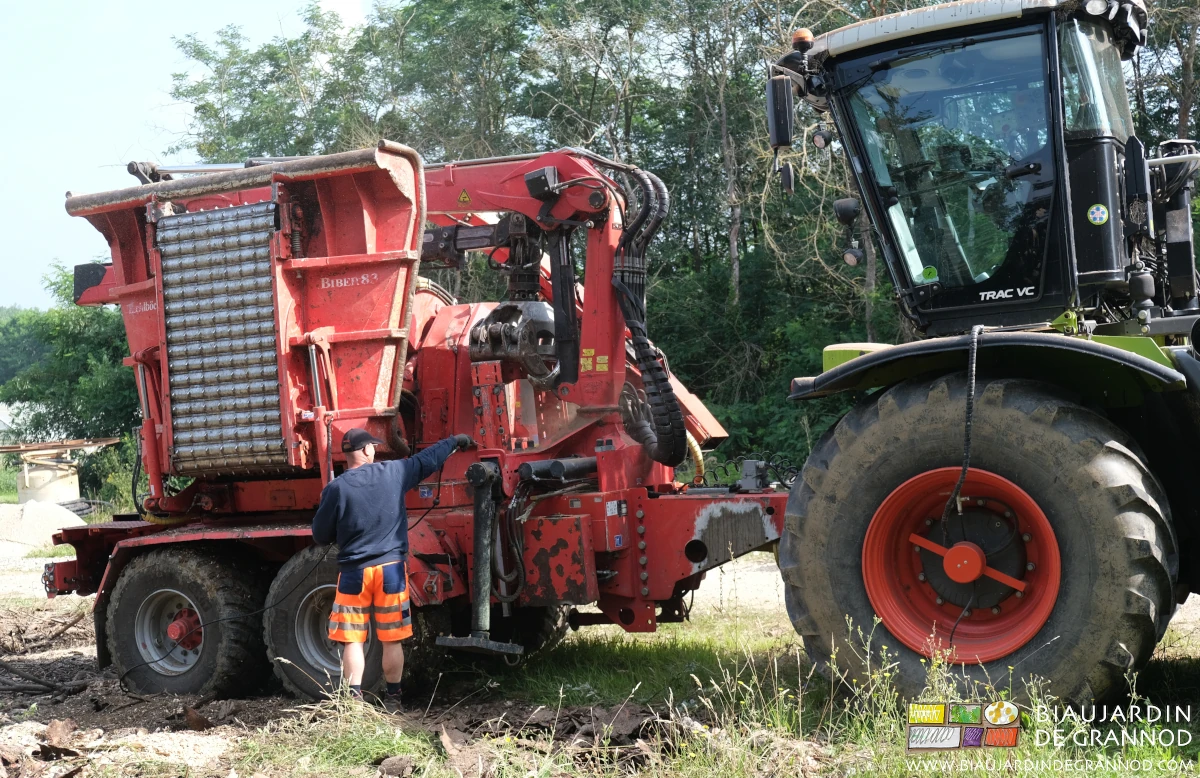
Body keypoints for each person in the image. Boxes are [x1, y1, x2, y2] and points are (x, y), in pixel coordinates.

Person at [311, 427, 471, 710]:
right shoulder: (393, 473)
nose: (374, 449)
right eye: (372, 446)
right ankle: (393, 699)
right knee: (391, 639)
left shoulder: (336, 489)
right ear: (365, 451)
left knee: (353, 641)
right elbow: (428, 460)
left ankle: (353, 705)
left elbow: (320, 535)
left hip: (354, 574)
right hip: (391, 572)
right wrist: (454, 441)